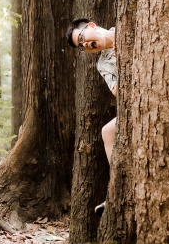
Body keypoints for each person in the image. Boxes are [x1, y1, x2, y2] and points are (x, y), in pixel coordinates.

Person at [66, 18, 116, 215]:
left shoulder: (125, 25)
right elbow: (116, 91)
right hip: (138, 104)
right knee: (107, 131)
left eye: (82, 38)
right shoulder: (103, 64)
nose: (85, 45)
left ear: (92, 26)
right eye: (81, 46)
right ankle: (117, 190)